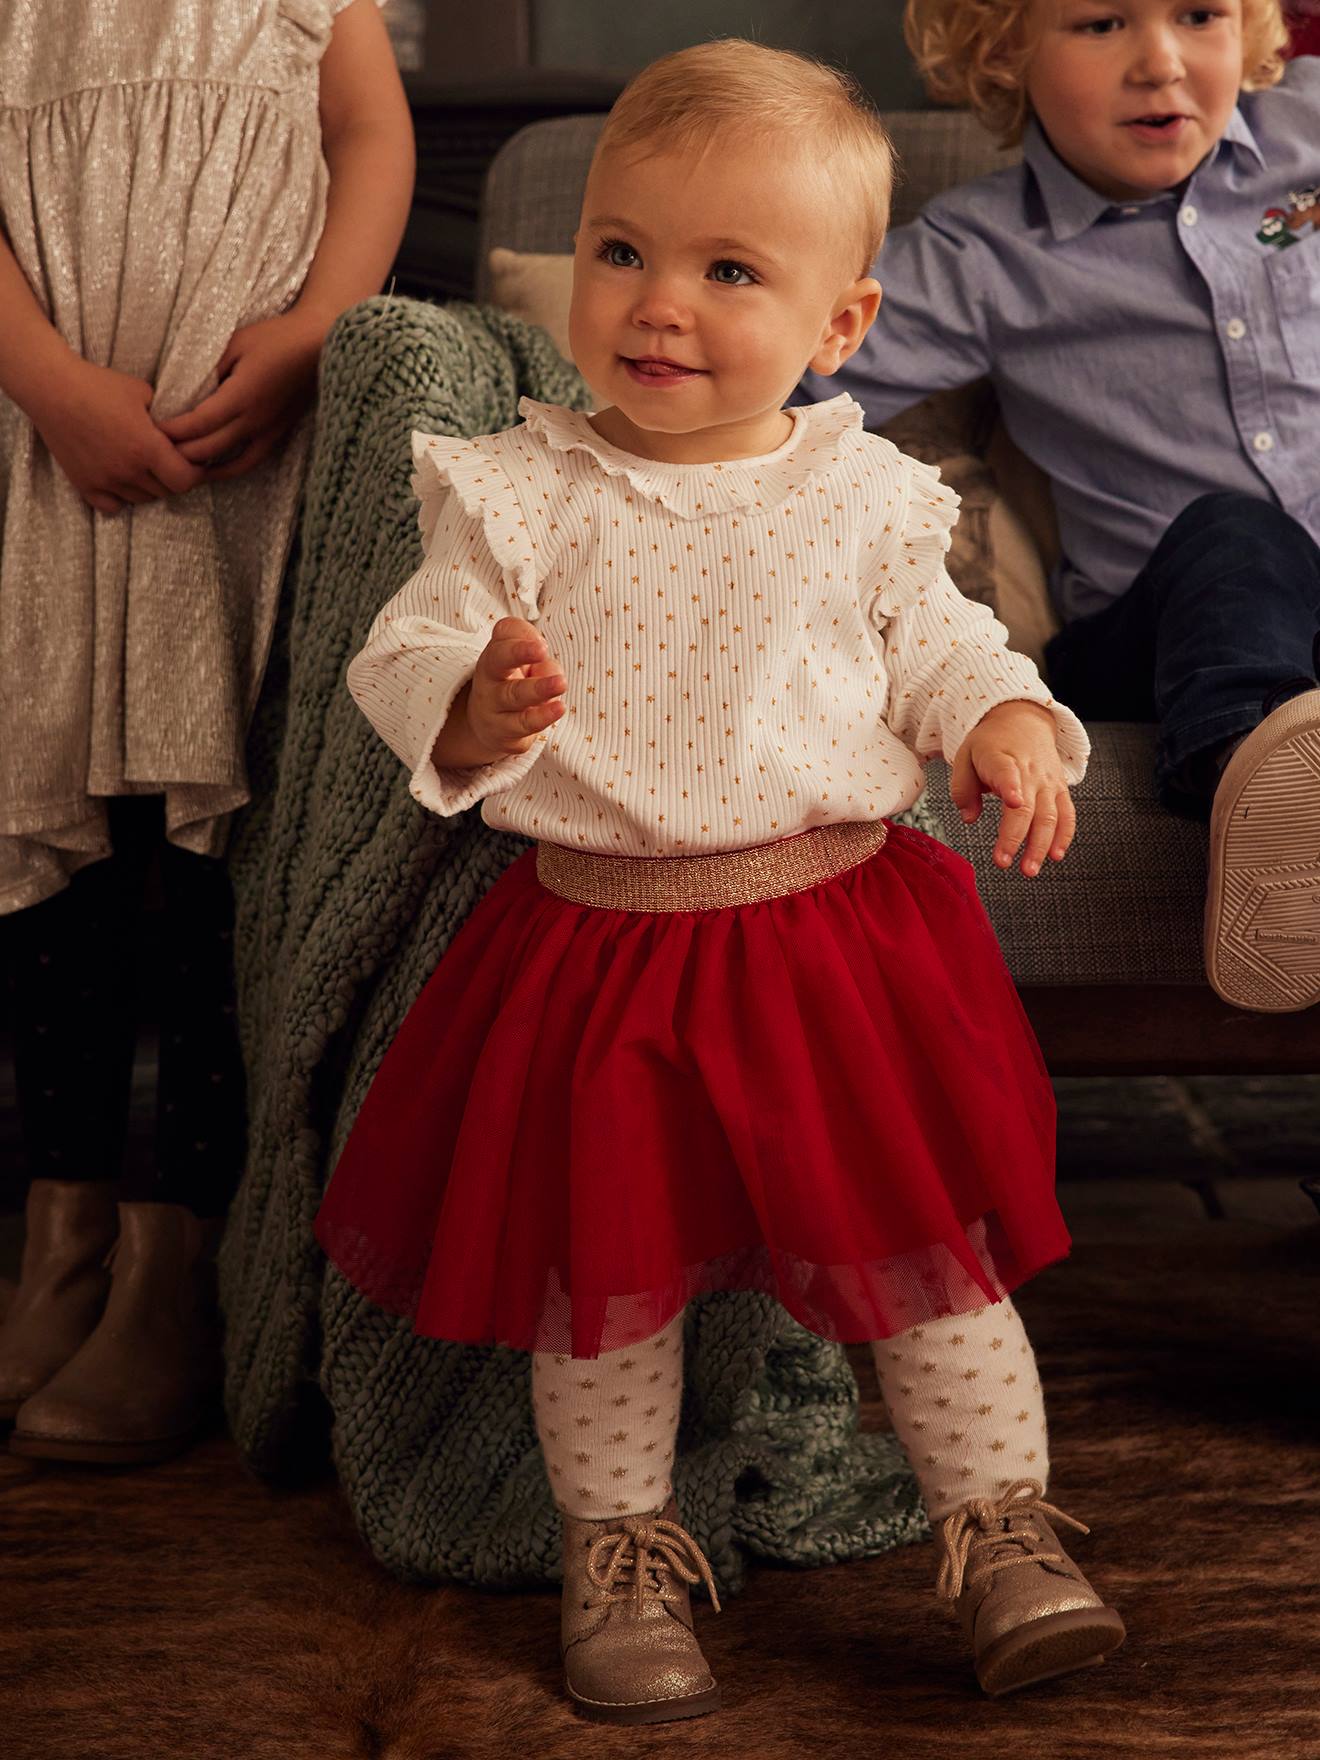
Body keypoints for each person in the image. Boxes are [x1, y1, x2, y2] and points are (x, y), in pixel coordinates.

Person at [313, 39, 1127, 1721]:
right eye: (623, 251)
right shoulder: (515, 483)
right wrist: (475, 699)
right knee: (600, 1286)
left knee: (926, 1260)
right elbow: (411, 646)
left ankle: (1004, 1529)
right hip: (602, 949)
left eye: (729, 271)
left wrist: (1005, 727)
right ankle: (618, 1549)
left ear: (841, 328)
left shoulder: (863, 495)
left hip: (836, 937)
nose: (660, 305)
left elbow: (945, 646)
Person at [0, 0, 414, 1462]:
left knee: (209, 865)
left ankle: (181, 1262)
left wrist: (314, 335)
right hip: (55, 444)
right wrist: (48, 385)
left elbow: (368, 135)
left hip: (243, 452)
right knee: (73, 853)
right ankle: (62, 1240)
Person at [797, 0, 1320, 1015]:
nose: (1160, 62)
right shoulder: (982, 256)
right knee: (1232, 533)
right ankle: (1265, 806)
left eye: (1201, 14)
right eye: (1102, 24)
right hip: (1154, 636)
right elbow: (792, 367)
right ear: (1006, 51)